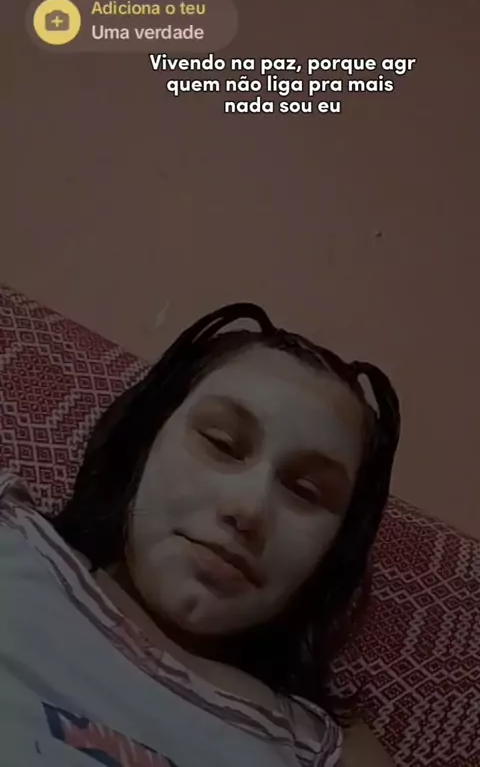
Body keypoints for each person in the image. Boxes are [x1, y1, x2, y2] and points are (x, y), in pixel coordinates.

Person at [0, 303, 400, 766]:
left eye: (305, 491)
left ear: (332, 554)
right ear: (144, 440)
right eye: (221, 443)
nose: (249, 508)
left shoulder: (322, 747)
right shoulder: (14, 537)